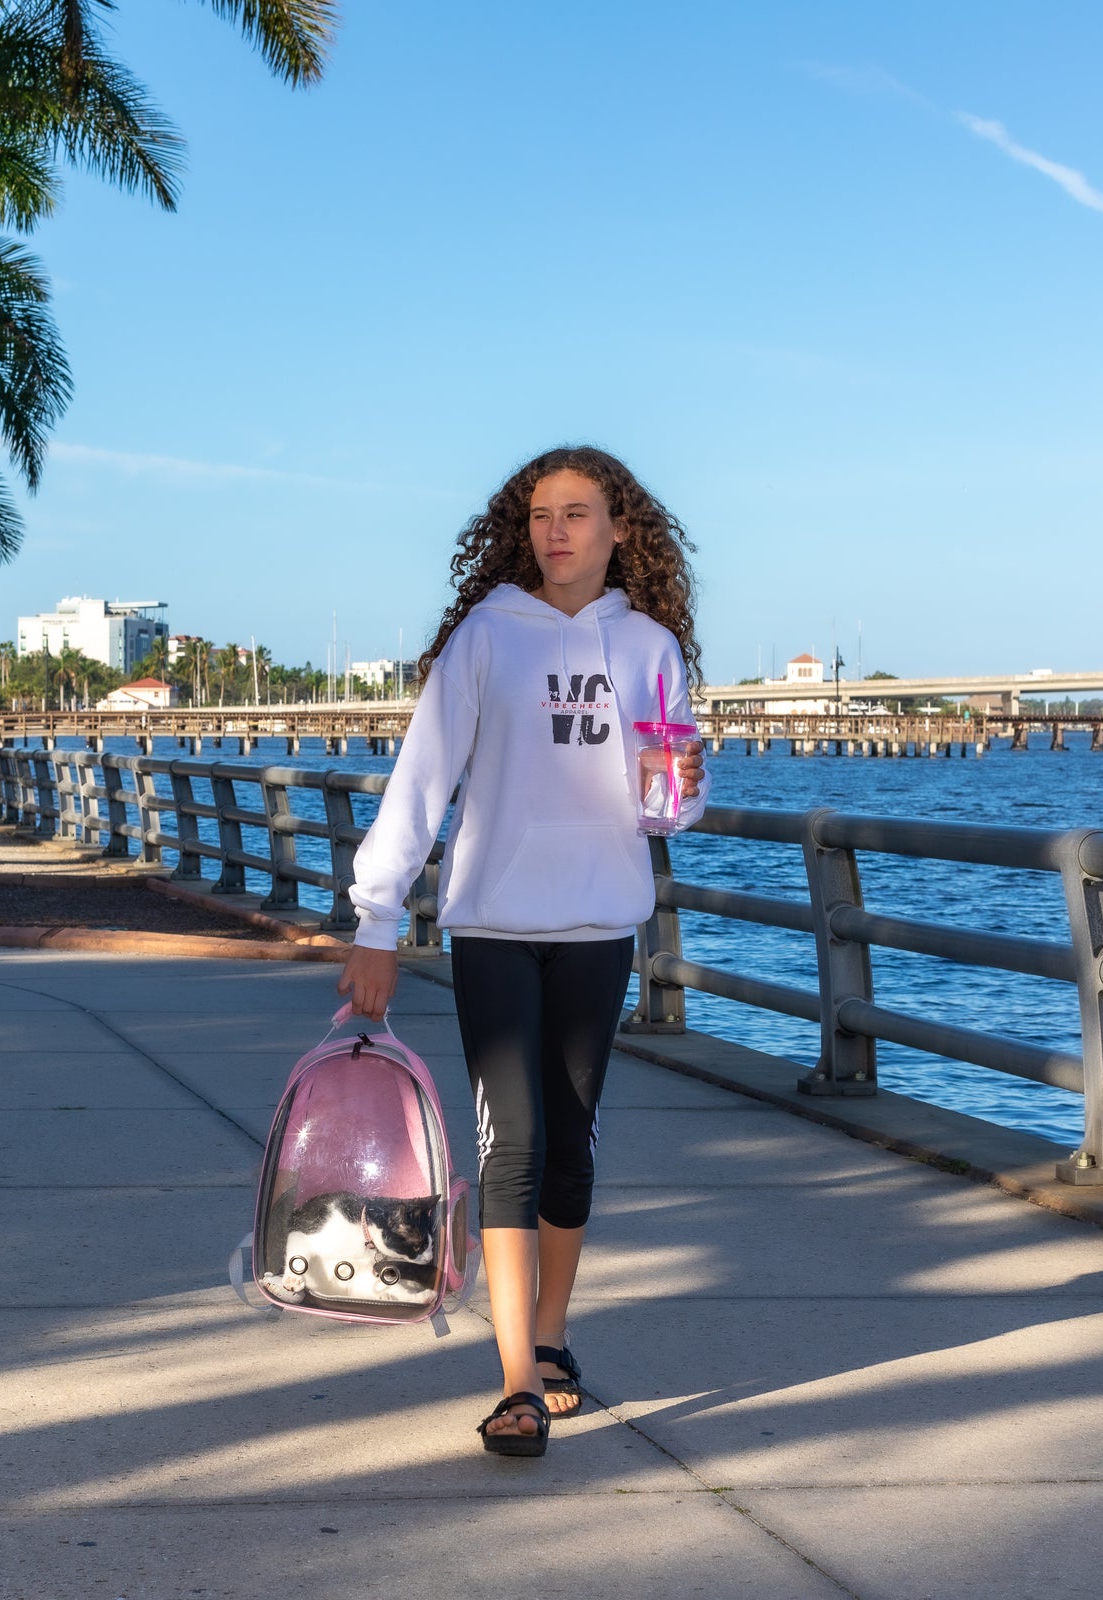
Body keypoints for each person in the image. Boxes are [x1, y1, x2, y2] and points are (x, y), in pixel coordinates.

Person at [338, 446, 707, 1458]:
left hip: (599, 928)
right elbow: (420, 780)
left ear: (619, 529)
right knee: (513, 1142)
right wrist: (378, 921)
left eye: (579, 513)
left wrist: (672, 774)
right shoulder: (487, 636)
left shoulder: (650, 647)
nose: (558, 531)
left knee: (572, 1145)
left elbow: (670, 808)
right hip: (493, 928)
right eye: (542, 513)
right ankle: (515, 1386)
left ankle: (550, 1338)